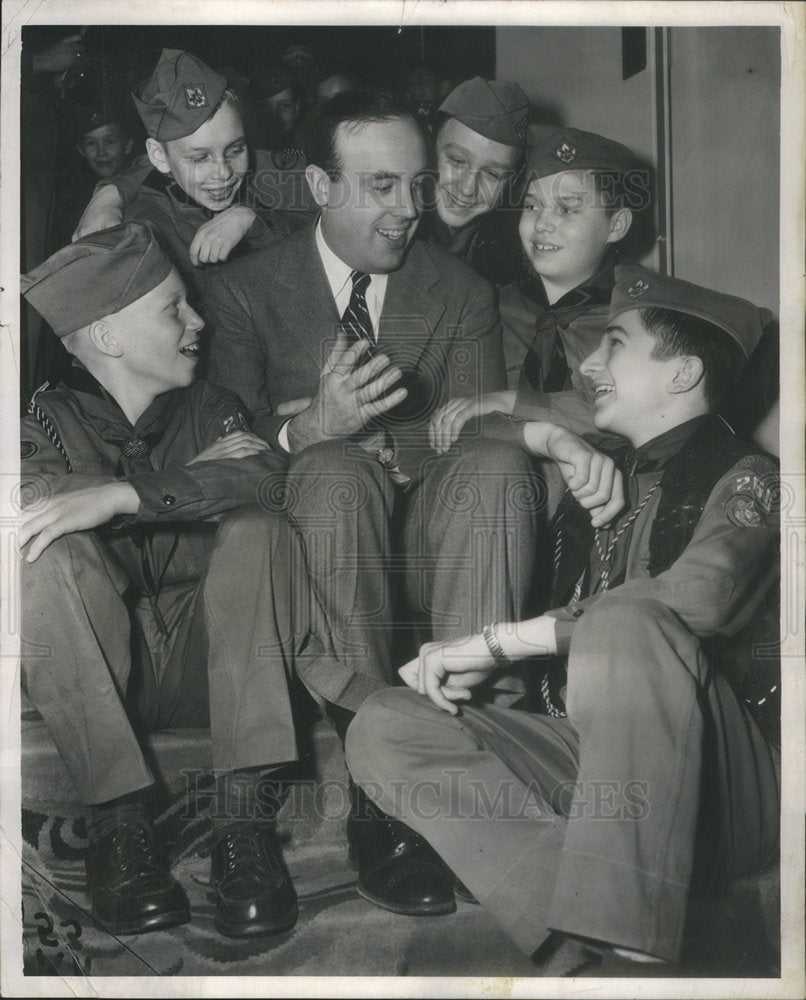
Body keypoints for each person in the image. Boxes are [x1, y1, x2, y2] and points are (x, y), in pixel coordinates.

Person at [346, 265, 780, 975]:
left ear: (683, 374)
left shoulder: (753, 477)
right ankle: (581, 938)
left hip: (727, 786)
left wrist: (498, 643)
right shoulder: (608, 474)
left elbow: (694, 602)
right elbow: (463, 425)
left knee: (625, 619)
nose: (588, 363)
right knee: (385, 722)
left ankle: (636, 945)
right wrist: (561, 442)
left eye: (614, 345)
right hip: (603, 763)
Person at [203, 89, 541, 916]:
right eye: (381, 187)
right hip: (312, 535)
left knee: (500, 470)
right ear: (319, 187)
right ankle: (376, 788)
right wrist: (318, 427)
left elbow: (469, 434)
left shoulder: (459, 289)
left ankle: (462, 757)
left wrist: (394, 444)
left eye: (418, 185)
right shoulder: (244, 291)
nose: (408, 210)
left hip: (423, 530)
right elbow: (224, 445)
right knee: (331, 470)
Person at [19, 222, 314, 940]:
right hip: (99, 680)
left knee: (261, 528)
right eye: (174, 309)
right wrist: (191, 480)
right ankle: (120, 824)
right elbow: (38, 507)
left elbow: (268, 479)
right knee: (44, 554)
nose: (198, 321)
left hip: (212, 667)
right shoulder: (36, 421)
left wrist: (124, 495)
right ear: (109, 338)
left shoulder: (211, 405)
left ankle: (243, 820)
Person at [428, 125, 644, 457]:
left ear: (615, 225)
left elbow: (645, 422)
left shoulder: (642, 317)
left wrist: (513, 401)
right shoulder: (484, 311)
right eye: (531, 206)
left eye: (567, 209)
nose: (542, 223)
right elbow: (447, 418)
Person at [72, 49, 315, 305]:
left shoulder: (265, 170)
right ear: (158, 157)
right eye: (200, 158)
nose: (224, 172)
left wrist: (255, 222)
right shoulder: (147, 229)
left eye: (235, 150)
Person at [417, 76, 529, 288]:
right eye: (457, 161)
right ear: (430, 149)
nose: (468, 188)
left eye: (492, 175)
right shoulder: (397, 226)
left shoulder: (513, 244)